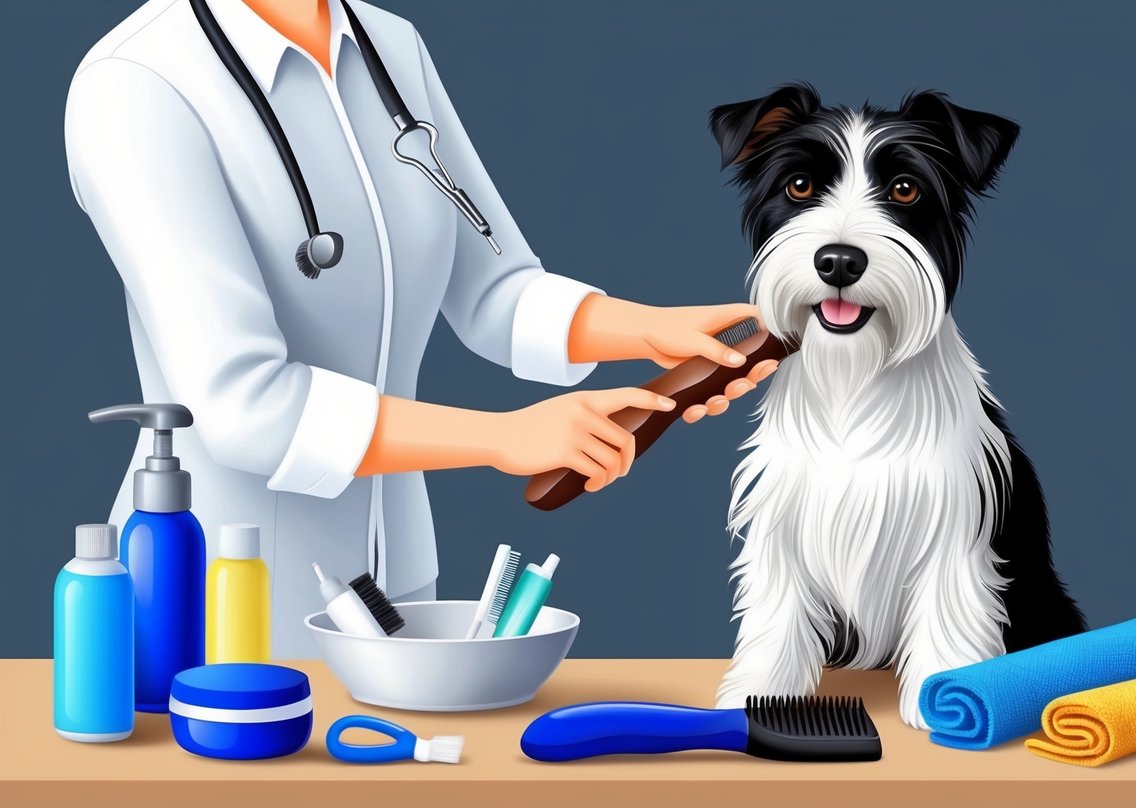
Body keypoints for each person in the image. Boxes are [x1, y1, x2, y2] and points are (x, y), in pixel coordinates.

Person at [64, 0, 776, 656]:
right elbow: (242, 405)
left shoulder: (389, 45)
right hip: (221, 598)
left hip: (396, 587)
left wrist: (653, 331)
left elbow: (495, 289)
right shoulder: (137, 85)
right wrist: (504, 437)